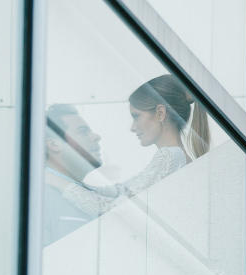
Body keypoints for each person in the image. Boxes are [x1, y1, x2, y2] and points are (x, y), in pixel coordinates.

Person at [54, 74, 211, 216]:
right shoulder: (176, 156)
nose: (132, 127)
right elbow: (119, 191)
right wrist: (68, 181)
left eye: (136, 116)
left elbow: (115, 209)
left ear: (160, 113)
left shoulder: (170, 156)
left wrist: (62, 184)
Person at [43, 103, 103, 246]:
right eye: (83, 132)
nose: (96, 136)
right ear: (54, 144)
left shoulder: (92, 194)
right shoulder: (38, 197)